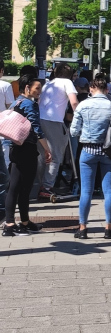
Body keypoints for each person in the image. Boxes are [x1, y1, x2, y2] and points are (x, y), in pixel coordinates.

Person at [69, 72, 111, 240]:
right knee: (108, 191)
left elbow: (74, 131)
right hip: (110, 153)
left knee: (85, 191)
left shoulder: (83, 105)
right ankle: (109, 228)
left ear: (91, 88)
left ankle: (82, 228)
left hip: (88, 151)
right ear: (106, 89)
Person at [3, 72, 54, 236]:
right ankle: (10, 225)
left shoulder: (17, 102)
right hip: (26, 148)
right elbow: (37, 129)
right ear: (27, 88)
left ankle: (24, 222)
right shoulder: (29, 105)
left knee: (18, 186)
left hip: (16, 147)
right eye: (37, 88)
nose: (40, 91)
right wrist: (47, 149)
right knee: (19, 187)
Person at [37, 64, 78, 202]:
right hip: (54, 121)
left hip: (40, 119)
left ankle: (40, 184)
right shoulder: (67, 82)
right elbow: (74, 103)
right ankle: (46, 188)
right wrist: (81, 117)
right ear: (70, 75)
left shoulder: (49, 84)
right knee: (55, 155)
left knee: (43, 155)